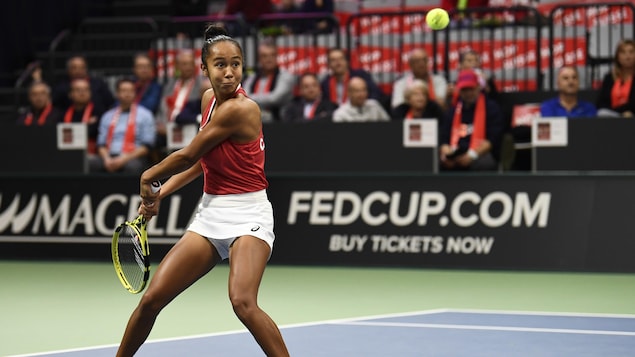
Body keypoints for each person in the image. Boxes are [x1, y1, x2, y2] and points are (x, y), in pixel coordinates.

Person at [114, 25, 289, 357]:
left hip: (249, 213)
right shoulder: (208, 100)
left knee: (242, 301)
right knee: (152, 299)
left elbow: (188, 155)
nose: (229, 72)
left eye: (236, 64)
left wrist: (147, 178)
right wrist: (160, 192)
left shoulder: (243, 109)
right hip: (212, 214)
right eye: (220, 64)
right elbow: (203, 163)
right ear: (204, 69)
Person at [439, 69, 503, 171]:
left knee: (485, 164)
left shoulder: (491, 108)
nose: (468, 93)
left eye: (471, 89)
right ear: (459, 90)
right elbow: (444, 138)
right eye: (464, 90)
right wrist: (446, 154)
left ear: (478, 87)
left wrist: (471, 155)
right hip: (456, 152)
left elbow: (492, 140)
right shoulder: (453, 110)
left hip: (479, 153)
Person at [89, 78, 156, 174]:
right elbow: (101, 144)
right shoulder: (107, 116)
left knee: (133, 166)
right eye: (123, 91)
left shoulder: (145, 115)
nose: (127, 94)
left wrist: (124, 159)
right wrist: (107, 159)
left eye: (130, 91)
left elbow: (147, 146)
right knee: (91, 164)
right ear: (117, 94)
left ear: (135, 94)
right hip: (110, 155)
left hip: (133, 156)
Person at [156, 50, 206, 153]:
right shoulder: (169, 85)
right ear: (177, 66)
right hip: (166, 128)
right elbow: (162, 108)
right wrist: (160, 124)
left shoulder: (201, 85)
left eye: (190, 64)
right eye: (184, 64)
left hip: (189, 128)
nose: (188, 67)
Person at [242, 41, 296, 122]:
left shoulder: (286, 76)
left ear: (277, 56)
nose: (269, 59)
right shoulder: (252, 78)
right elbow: (243, 98)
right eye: (264, 56)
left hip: (279, 124)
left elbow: (274, 98)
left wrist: (249, 99)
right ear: (259, 59)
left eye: (272, 55)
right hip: (253, 125)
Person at [321, 48, 387, 107]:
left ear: (347, 62)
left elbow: (376, 94)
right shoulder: (325, 83)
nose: (338, 62)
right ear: (328, 65)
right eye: (333, 60)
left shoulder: (360, 75)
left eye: (341, 58)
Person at [62, 78, 105, 154]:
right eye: (78, 90)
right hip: (67, 152)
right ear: (70, 94)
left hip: (92, 154)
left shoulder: (99, 112)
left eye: (86, 90)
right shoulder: (63, 113)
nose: (82, 93)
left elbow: (96, 133)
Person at [596, 39, 635, 117]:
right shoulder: (609, 77)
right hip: (613, 115)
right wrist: (620, 112)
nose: (628, 56)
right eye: (623, 52)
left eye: (631, 52)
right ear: (617, 56)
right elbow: (601, 102)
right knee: (602, 113)